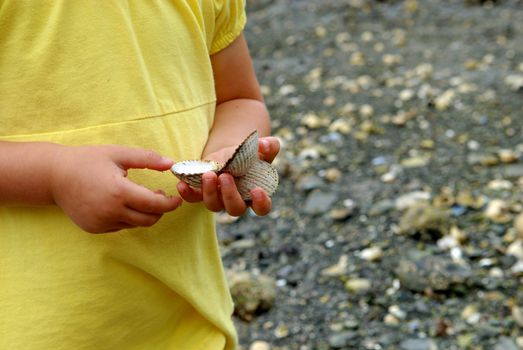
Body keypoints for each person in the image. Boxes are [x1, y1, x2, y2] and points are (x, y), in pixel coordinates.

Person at [0, 1, 279, 349]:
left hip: (188, 322)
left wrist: (226, 155)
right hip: (33, 329)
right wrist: (52, 176)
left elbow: (239, 99)